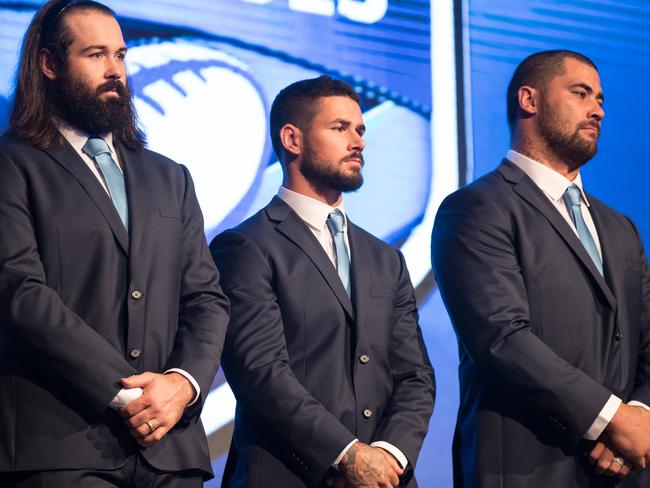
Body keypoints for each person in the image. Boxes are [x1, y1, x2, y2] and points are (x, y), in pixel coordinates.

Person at [0, 1, 229, 486]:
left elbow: (206, 299)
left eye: (121, 55)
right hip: (62, 445)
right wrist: (128, 393)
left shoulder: (170, 177)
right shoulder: (14, 165)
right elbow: (19, 292)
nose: (115, 71)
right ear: (49, 64)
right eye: (96, 55)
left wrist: (181, 385)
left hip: (170, 448)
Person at [431, 49, 650, 487]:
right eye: (581, 93)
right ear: (529, 101)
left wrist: (640, 414)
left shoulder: (619, 227)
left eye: (601, 99)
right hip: (526, 467)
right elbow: (502, 339)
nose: (598, 110)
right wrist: (611, 419)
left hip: (625, 468)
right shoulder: (477, 209)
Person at [210, 75, 435, 488]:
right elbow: (262, 374)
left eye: (361, 129)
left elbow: (415, 377)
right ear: (292, 139)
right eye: (340, 128)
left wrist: (388, 455)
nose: (359, 141)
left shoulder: (385, 259)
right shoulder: (245, 247)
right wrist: (346, 456)